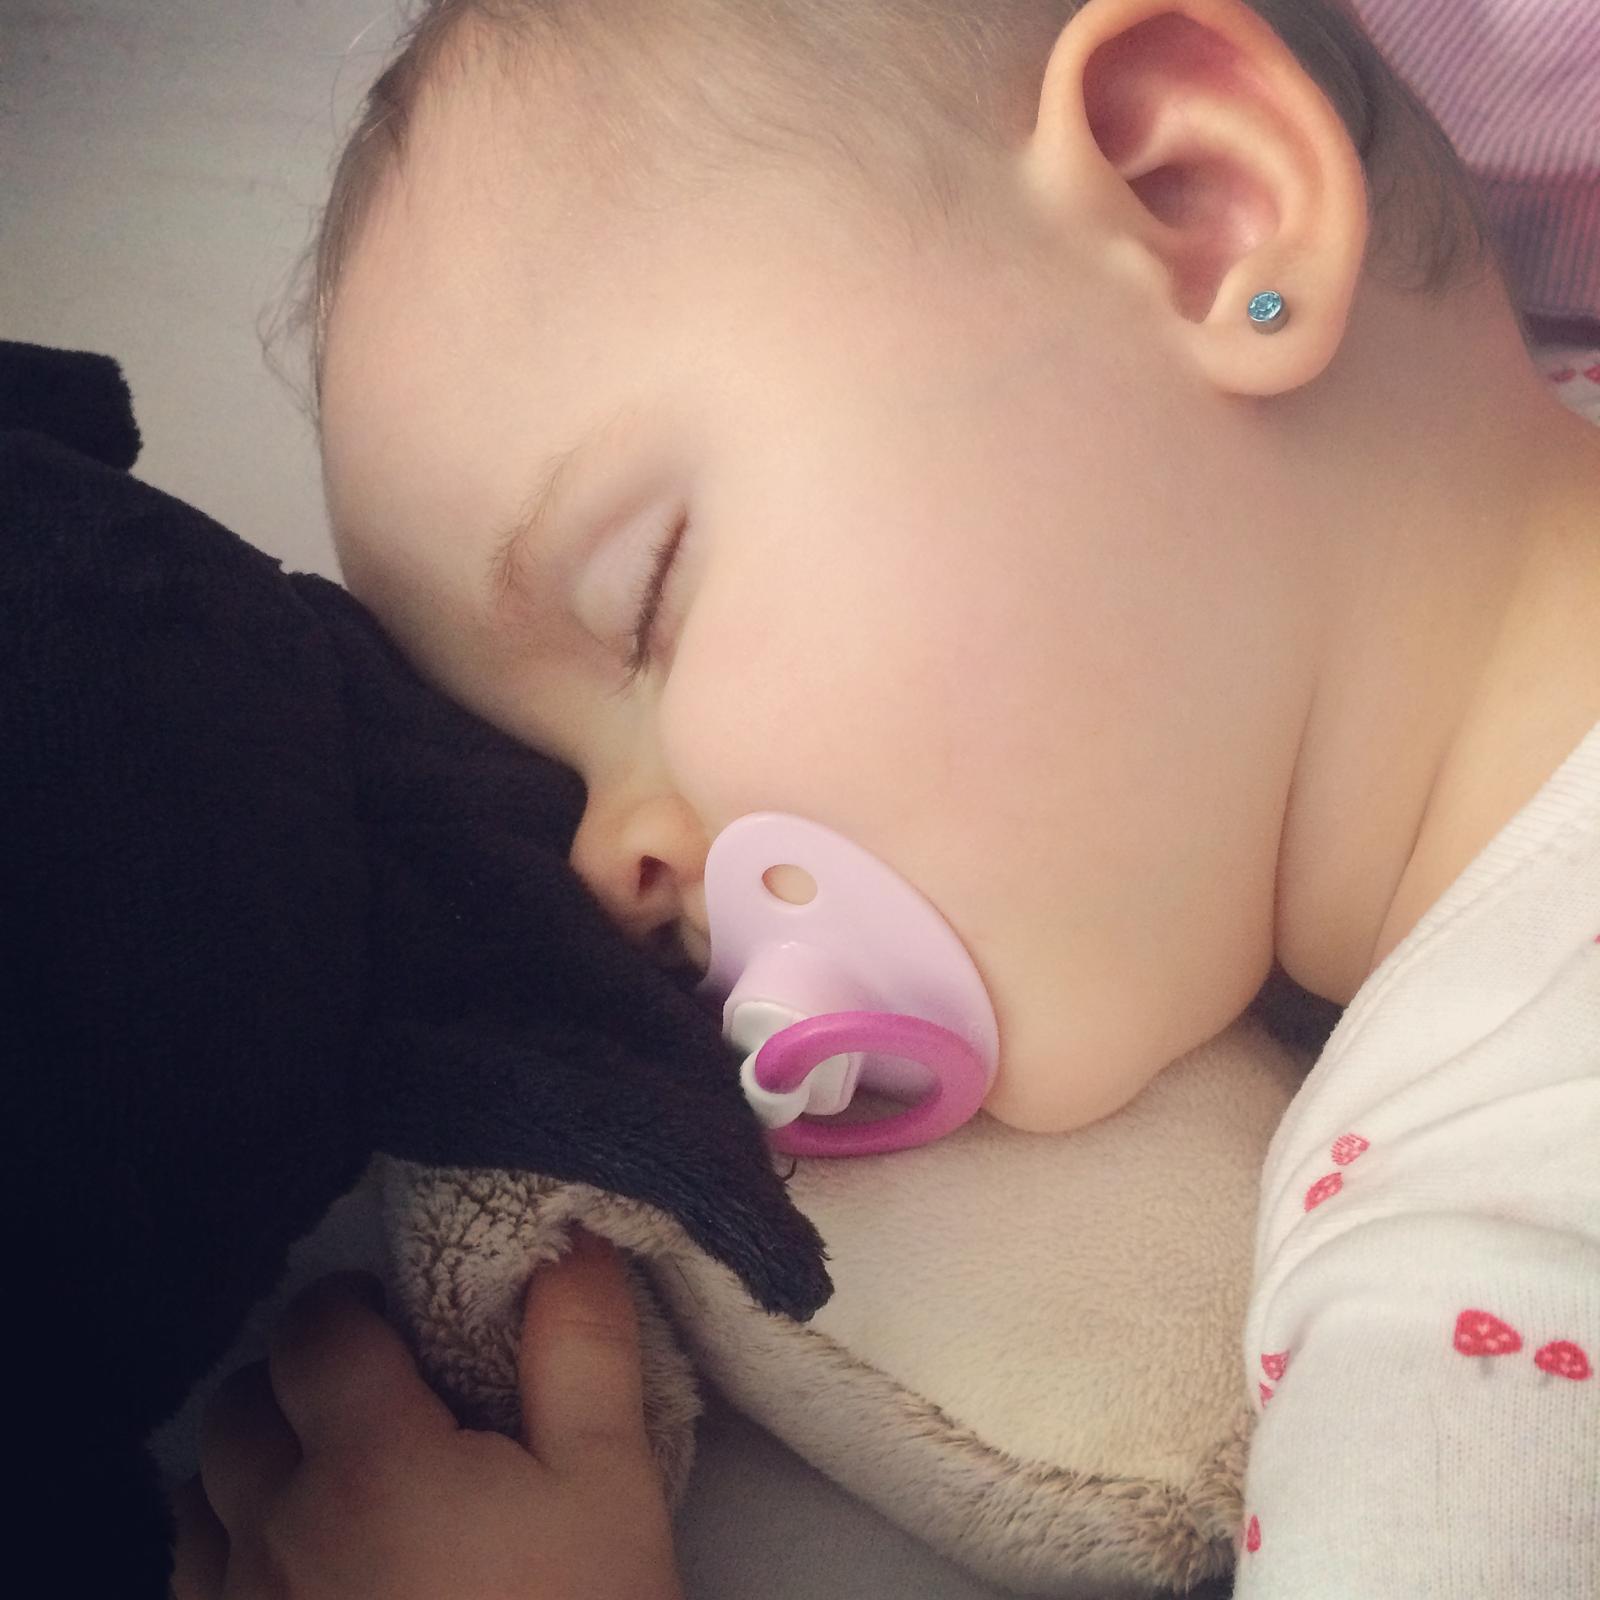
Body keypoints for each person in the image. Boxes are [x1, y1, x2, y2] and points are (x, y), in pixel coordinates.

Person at [182, 0, 1600, 1593]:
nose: (600, 866)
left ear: (1204, 216)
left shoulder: (1488, 1243)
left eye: (642, 602)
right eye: (555, 776)